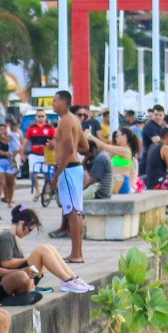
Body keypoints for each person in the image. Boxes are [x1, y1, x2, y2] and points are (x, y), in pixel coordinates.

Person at [0, 206, 92, 295]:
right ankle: (67, 281)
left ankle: (73, 279)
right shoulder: (7, 236)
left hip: (22, 273)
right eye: (30, 230)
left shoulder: (12, 236)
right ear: (22, 223)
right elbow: (5, 263)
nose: (28, 234)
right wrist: (31, 258)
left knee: (48, 247)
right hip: (14, 278)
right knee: (41, 250)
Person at [52, 89, 107, 265]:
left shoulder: (67, 121)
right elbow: (84, 146)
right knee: (73, 211)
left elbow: (70, 150)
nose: (52, 104)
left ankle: (76, 254)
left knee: (73, 212)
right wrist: (56, 146)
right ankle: (76, 252)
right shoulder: (73, 120)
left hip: (69, 169)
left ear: (63, 103)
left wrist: (57, 175)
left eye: (55, 101)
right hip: (72, 168)